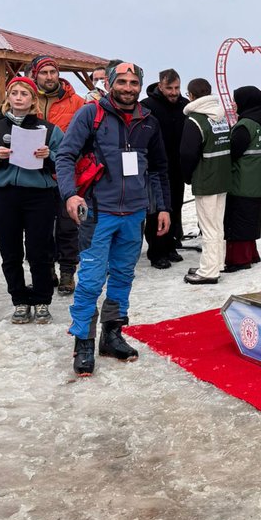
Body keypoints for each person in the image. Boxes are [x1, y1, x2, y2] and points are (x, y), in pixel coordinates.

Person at [56, 61, 171, 376]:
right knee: (92, 280)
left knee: (122, 276)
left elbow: (160, 168)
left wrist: (162, 207)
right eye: (122, 82)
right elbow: (64, 156)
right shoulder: (90, 115)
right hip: (98, 212)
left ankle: (112, 334)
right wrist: (70, 194)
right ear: (109, 83)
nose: (128, 88)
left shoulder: (149, 121)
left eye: (134, 83)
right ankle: (83, 340)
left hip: (134, 214)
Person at [0, 76, 64, 323]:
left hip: (39, 196)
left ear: (33, 100)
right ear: (8, 99)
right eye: (14, 93)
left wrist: (49, 155)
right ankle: (20, 300)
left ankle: (42, 299)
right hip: (6, 197)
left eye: (24, 94)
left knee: (40, 251)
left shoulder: (49, 129)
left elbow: (67, 159)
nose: (19, 98)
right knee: (10, 252)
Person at [30, 54, 86, 296]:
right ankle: (46, 271)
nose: (50, 76)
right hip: (34, 174)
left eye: (53, 72)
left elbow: (87, 134)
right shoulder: (27, 100)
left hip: (67, 173)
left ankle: (66, 272)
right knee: (39, 227)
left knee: (68, 225)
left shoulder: (77, 102)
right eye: (44, 72)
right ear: (35, 75)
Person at [180, 78, 231, 285]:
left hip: (206, 178)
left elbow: (187, 153)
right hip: (222, 176)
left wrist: (187, 175)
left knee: (208, 226)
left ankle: (208, 271)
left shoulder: (195, 120)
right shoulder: (220, 117)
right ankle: (217, 262)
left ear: (190, 96)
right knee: (217, 224)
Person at [141, 69, 187, 268]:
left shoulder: (185, 106)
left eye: (176, 87)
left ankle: (171, 245)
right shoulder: (147, 106)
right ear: (160, 86)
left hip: (177, 166)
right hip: (155, 167)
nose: (174, 92)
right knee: (156, 210)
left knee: (175, 207)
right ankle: (156, 251)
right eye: (169, 88)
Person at [224, 85, 261, 272]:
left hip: (241, 183)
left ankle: (239, 259)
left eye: (237, 101)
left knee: (238, 222)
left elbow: (232, 152)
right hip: (256, 182)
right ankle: (251, 253)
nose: (235, 105)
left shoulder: (245, 126)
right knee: (250, 219)